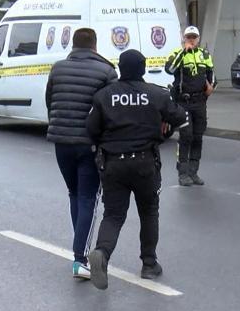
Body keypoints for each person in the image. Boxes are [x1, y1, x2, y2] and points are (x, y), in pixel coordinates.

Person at [86, 49, 188, 290]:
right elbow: (182, 120)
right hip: (144, 163)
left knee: (113, 214)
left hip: (113, 163)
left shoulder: (104, 95)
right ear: (143, 69)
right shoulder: (156, 94)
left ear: (120, 67)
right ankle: (149, 264)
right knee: (149, 211)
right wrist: (164, 130)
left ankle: (102, 252)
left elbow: (91, 129)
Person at [45, 28, 118, 279]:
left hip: (61, 141)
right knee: (88, 198)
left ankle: (80, 251)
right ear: (95, 46)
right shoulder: (107, 71)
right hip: (89, 144)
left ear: (73, 45)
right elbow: (110, 110)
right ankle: (80, 258)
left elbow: (49, 100)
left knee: (74, 194)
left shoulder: (58, 68)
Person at [165, 26, 214, 187]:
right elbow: (170, 69)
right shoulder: (176, 54)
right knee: (186, 136)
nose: (191, 40)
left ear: (198, 39)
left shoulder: (204, 54)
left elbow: (211, 74)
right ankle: (183, 172)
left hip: (199, 102)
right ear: (184, 39)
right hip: (183, 102)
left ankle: (194, 171)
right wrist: (183, 52)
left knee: (198, 136)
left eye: (194, 37)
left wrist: (211, 86)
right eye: (188, 37)